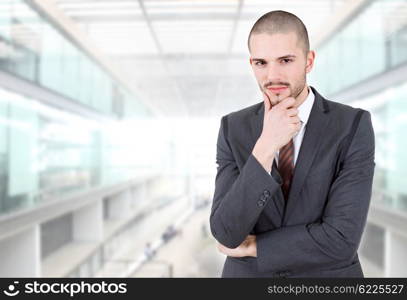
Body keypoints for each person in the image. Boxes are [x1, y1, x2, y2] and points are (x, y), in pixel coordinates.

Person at [209, 10, 375, 278]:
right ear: (251, 64)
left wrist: (256, 246)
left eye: (285, 60)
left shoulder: (351, 125)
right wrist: (265, 145)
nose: (272, 75)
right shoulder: (233, 128)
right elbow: (227, 232)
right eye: (261, 63)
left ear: (309, 61)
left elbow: (341, 239)